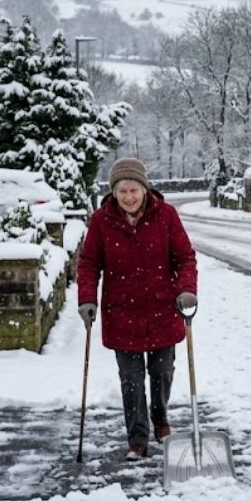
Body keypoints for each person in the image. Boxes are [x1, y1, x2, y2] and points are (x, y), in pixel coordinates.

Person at [76, 158, 198, 461]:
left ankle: (160, 418)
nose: (129, 197)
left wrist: (186, 289)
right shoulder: (101, 220)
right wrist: (87, 298)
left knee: (161, 373)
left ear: (145, 189)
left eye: (134, 190)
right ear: (113, 193)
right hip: (122, 313)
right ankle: (137, 437)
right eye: (122, 192)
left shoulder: (166, 216)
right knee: (131, 381)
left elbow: (185, 257)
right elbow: (89, 264)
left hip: (162, 310)